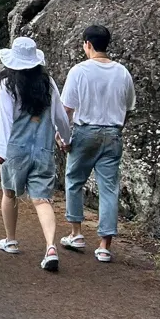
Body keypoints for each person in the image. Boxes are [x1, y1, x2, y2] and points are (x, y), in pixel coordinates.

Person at [0, 36, 72, 272]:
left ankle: (11, 240)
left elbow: (5, 120)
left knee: (9, 193)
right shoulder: (48, 83)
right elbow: (60, 117)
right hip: (43, 148)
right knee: (42, 199)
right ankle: (50, 247)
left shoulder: (8, 85)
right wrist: (66, 138)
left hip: (15, 148)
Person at [60, 24, 136, 264]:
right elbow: (128, 107)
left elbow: (66, 109)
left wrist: (63, 136)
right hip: (113, 133)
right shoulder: (122, 72)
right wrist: (117, 128)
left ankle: (76, 233)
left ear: (88, 44)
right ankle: (104, 246)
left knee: (74, 181)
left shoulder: (79, 71)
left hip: (85, 131)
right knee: (109, 188)